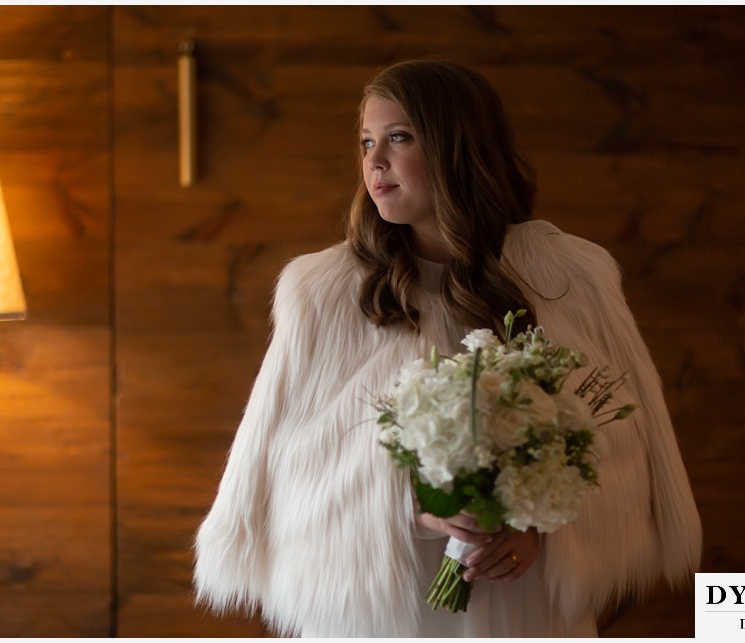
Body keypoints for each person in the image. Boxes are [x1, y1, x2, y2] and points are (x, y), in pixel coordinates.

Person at [193, 59, 702, 637]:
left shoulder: (569, 278)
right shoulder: (323, 295)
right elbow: (288, 469)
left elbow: (619, 442)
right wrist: (414, 501)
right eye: (366, 142)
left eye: (399, 137)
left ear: (455, 147)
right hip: (387, 604)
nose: (374, 161)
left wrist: (540, 520)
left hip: (522, 600)